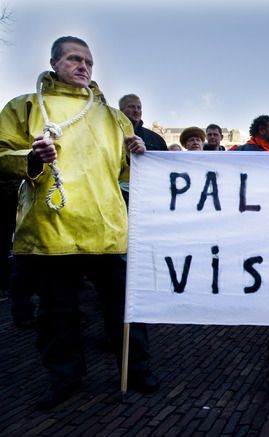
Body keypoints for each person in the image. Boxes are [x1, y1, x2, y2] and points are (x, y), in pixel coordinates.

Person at [0, 36, 159, 410]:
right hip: (52, 232)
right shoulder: (25, 107)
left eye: (88, 61)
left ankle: (136, 369)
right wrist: (31, 156)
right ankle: (65, 378)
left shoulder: (114, 117)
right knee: (58, 314)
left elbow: (126, 174)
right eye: (74, 59)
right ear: (54, 62)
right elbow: (2, 153)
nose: (83, 66)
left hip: (106, 230)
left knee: (124, 310)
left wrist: (138, 156)